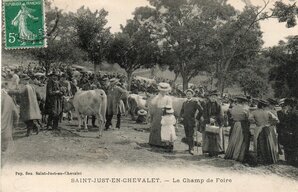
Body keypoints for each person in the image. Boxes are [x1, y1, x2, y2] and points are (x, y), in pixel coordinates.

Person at [249, 99, 279, 165]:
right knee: (267, 142)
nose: (266, 107)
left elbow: (250, 119)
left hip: (258, 128)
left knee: (258, 142)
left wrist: (255, 122)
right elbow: (277, 120)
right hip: (266, 128)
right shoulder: (268, 112)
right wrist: (270, 124)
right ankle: (268, 158)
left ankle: (259, 158)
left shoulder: (254, 112)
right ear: (263, 106)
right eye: (265, 106)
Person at [225, 95, 250, 162]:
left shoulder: (234, 108)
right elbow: (248, 117)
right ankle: (238, 155)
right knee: (241, 140)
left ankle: (231, 153)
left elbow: (231, 116)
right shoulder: (245, 109)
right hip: (242, 124)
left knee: (233, 139)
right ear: (243, 102)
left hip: (235, 124)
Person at [149, 82, 173, 151]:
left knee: (164, 128)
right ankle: (154, 142)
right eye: (162, 91)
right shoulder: (157, 97)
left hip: (165, 112)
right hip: (157, 112)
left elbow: (170, 106)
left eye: (165, 91)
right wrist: (157, 98)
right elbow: (152, 103)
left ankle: (163, 143)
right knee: (155, 126)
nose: (163, 92)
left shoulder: (168, 98)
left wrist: (166, 110)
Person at [201, 90, 225, 157]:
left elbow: (221, 114)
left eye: (214, 97)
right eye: (212, 97)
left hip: (216, 122)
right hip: (208, 121)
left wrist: (215, 119)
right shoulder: (206, 105)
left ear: (216, 98)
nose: (213, 98)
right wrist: (209, 119)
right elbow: (204, 114)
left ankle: (216, 152)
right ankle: (208, 151)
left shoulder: (219, 105)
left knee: (217, 137)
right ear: (209, 97)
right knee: (207, 136)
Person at [180, 89, 203, 155]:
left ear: (192, 95)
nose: (188, 95)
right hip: (185, 121)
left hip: (192, 121)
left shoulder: (195, 102)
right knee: (187, 135)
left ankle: (192, 149)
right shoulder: (184, 102)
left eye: (190, 94)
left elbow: (201, 110)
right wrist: (181, 117)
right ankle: (189, 147)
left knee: (191, 135)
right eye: (187, 94)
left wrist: (197, 118)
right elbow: (182, 111)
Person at [1, 87, 19, 166]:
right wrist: (14, 127)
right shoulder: (8, 99)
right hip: (5, 131)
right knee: (3, 152)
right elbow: (16, 115)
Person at [280, 98, 298, 166]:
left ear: (290, 106)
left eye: (286, 105)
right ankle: (289, 160)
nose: (285, 107)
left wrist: (291, 131)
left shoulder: (295, 113)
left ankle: (293, 161)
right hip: (288, 133)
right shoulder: (289, 112)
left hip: (293, 133)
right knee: (288, 146)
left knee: (293, 146)